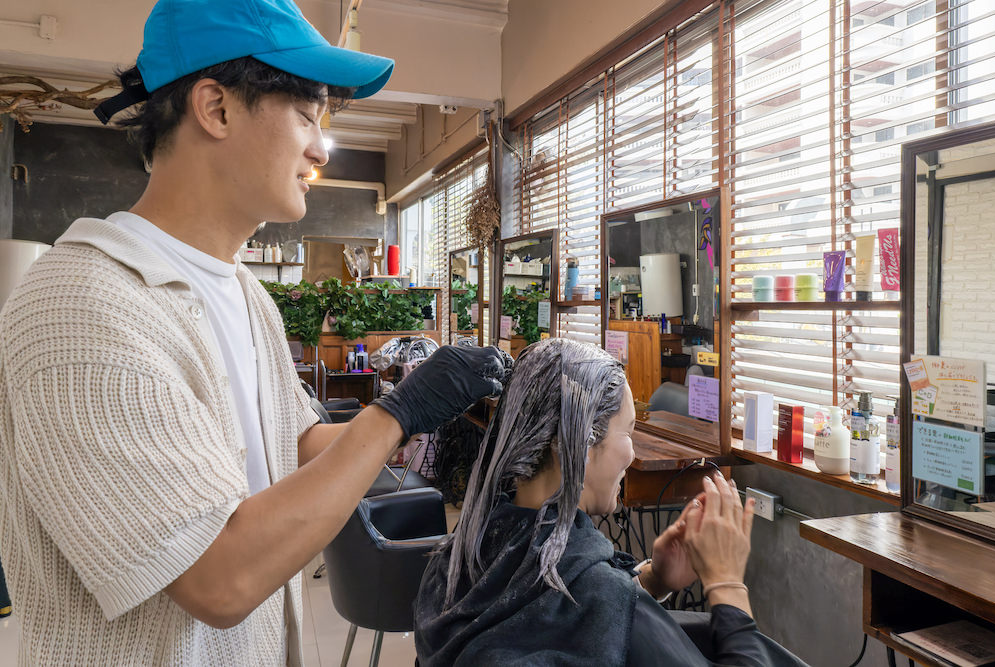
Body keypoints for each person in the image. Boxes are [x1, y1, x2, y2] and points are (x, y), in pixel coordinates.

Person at [0, 0, 506, 664]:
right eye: (306, 116)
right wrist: (395, 413)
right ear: (217, 109)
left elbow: (294, 442)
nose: (321, 147)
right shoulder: (81, 305)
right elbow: (219, 575)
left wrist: (432, 415)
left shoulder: (244, 293)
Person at [414, 338, 806, 666]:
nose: (632, 455)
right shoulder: (597, 596)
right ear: (579, 443)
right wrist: (727, 583)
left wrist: (651, 580)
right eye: (628, 432)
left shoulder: (454, 560)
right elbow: (591, 612)